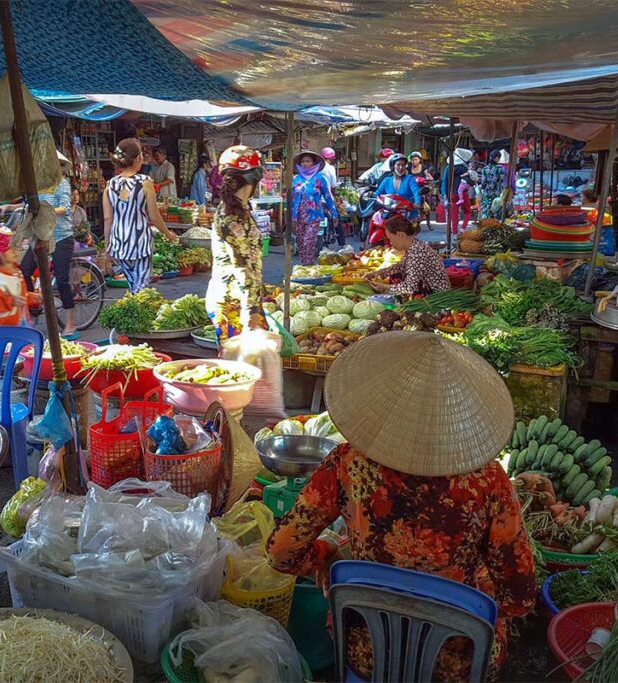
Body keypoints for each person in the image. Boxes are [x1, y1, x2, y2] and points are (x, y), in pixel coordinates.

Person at [266, 331, 536, 682]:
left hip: (363, 647)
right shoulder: (487, 481)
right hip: (454, 660)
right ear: (461, 415)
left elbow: (281, 553)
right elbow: (520, 597)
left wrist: (329, 554)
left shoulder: (346, 463)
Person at [102, 138, 179, 294]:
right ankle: (137, 312)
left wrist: (107, 246)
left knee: (133, 286)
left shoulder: (110, 184)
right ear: (137, 159)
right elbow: (154, 217)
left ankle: (132, 308)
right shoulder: (145, 182)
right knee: (141, 289)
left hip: (119, 243)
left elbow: (107, 219)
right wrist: (168, 234)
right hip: (139, 243)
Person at [206, 145, 267, 340]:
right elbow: (242, 268)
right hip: (233, 303)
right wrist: (251, 312)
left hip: (243, 299)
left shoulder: (241, 208)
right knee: (240, 366)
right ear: (253, 180)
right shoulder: (230, 218)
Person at [15, 152, 78, 336]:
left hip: (61, 237)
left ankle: (71, 322)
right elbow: (28, 205)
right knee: (24, 270)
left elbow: (65, 208)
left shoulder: (62, 184)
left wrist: (46, 211)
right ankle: (33, 311)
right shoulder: (37, 187)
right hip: (40, 236)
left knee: (62, 278)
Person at [365, 215, 450, 298]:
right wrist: (378, 273)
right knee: (396, 275)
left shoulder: (417, 252)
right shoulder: (413, 246)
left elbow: (410, 287)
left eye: (390, 238)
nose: (390, 243)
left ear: (400, 235)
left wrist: (385, 287)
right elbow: (401, 266)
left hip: (437, 298)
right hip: (432, 292)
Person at [0, 226, 40, 326]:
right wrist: (11, 301)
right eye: (8, 248)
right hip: (0, 326)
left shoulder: (17, 271)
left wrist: (32, 297)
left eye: (15, 246)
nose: (14, 251)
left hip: (19, 321)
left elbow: (21, 295)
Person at [292, 151, 339, 266]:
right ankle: (305, 266)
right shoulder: (296, 179)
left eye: (308, 161)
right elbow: (291, 198)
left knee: (309, 242)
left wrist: (334, 214)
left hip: (314, 216)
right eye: (303, 161)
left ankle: (308, 265)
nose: (305, 163)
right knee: (301, 243)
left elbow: (327, 196)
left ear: (313, 163)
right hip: (298, 216)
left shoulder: (320, 178)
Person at [374, 153, 422, 221]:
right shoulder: (387, 180)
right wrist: (371, 195)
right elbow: (378, 192)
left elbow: (416, 191)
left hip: (407, 214)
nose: (401, 167)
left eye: (403, 165)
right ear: (392, 166)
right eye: (398, 165)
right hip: (389, 213)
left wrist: (417, 202)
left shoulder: (410, 179)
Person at [479, 150, 508, 220]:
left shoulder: (485, 169)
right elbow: (502, 179)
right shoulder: (501, 169)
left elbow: (483, 182)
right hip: (497, 193)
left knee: (486, 210)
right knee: (496, 211)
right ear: (497, 158)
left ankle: (484, 225)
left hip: (487, 193)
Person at [454, 170, 478, 234]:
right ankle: (463, 228)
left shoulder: (450, 169)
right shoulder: (466, 169)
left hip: (454, 193)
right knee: (468, 211)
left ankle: (454, 231)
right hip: (465, 193)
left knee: (454, 213)